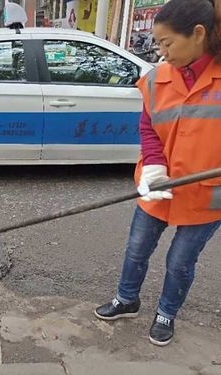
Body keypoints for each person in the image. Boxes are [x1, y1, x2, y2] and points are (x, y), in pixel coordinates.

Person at [94, 0, 221, 347]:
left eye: (168, 43)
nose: (162, 52)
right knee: (136, 248)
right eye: (158, 44)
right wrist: (153, 164)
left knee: (180, 261)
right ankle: (127, 298)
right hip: (159, 184)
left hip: (206, 193)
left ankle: (167, 312)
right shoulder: (157, 79)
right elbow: (149, 126)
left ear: (197, 34)